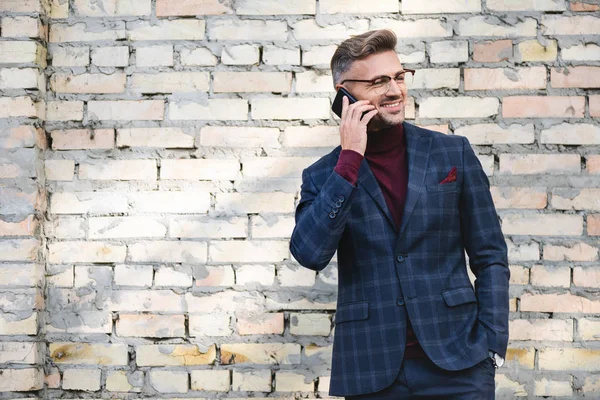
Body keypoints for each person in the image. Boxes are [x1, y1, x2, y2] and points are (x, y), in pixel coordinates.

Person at [289, 29, 509, 399]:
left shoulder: (451, 154)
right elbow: (310, 254)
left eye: (399, 77)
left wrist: (492, 345)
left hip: (459, 362)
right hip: (371, 369)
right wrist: (349, 162)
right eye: (378, 82)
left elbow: (490, 255)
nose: (394, 90)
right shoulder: (325, 175)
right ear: (344, 93)